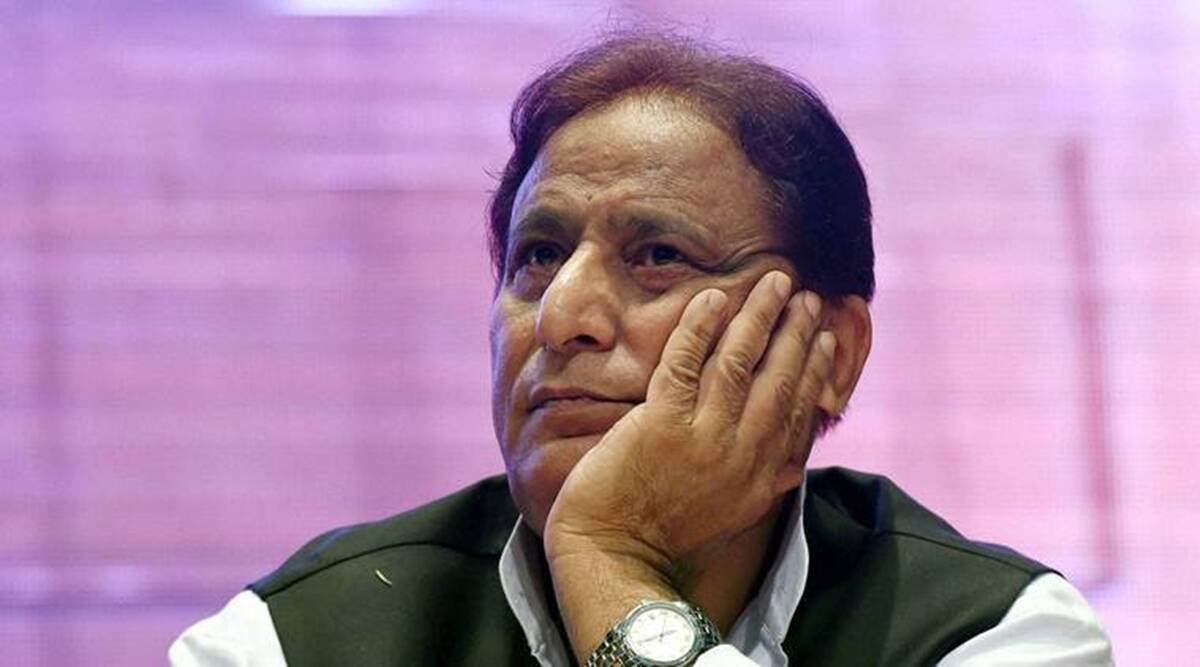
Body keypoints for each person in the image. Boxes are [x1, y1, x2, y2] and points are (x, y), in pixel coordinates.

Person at [170, 33, 1114, 666]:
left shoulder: (994, 634)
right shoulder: (291, 641)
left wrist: (611, 561)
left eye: (657, 255)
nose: (561, 317)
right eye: (537, 256)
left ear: (831, 352)